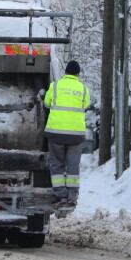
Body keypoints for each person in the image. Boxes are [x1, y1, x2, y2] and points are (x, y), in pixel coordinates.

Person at [43, 60, 90, 208]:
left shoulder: (55, 86)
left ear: (66, 72)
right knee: (73, 166)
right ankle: (72, 197)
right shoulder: (83, 89)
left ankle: (60, 196)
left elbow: (46, 104)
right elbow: (85, 105)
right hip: (76, 135)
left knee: (57, 165)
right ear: (78, 74)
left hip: (56, 132)